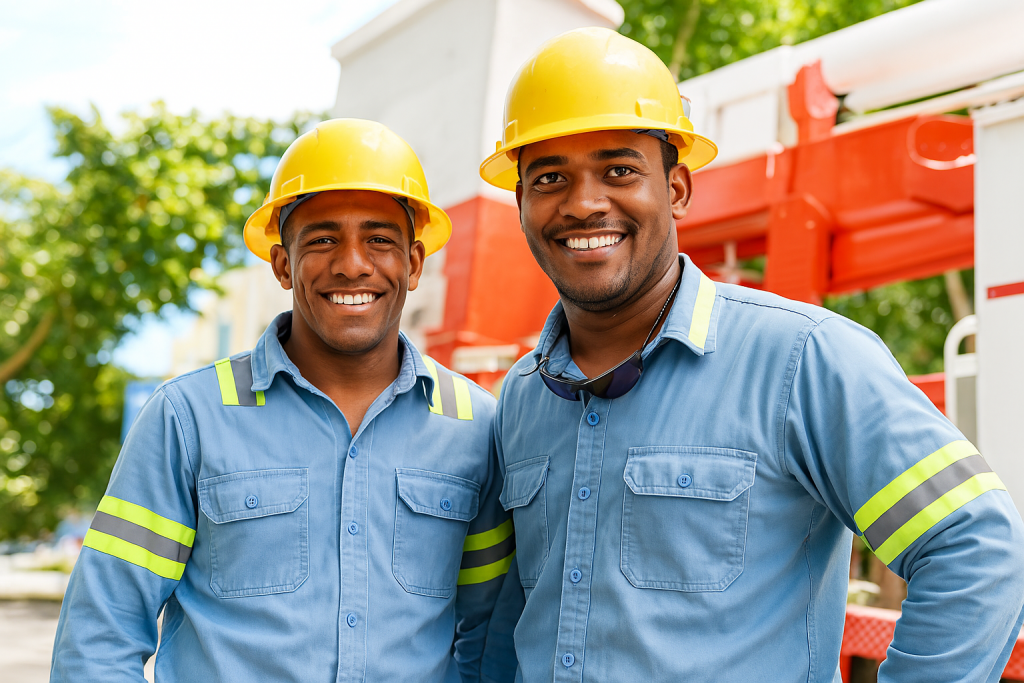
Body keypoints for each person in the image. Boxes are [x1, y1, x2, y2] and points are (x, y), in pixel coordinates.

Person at [480, 27, 1024, 682]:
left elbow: (977, 546)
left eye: (619, 169)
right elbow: (516, 614)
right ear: (521, 204)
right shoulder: (521, 397)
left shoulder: (804, 360)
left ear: (677, 187)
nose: (585, 201)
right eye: (549, 178)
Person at [52, 118, 519, 682]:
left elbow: (489, 634)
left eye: (379, 239)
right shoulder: (189, 419)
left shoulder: (475, 425)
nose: (352, 264)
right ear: (281, 263)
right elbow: (99, 637)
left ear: (414, 263)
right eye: (322, 239)